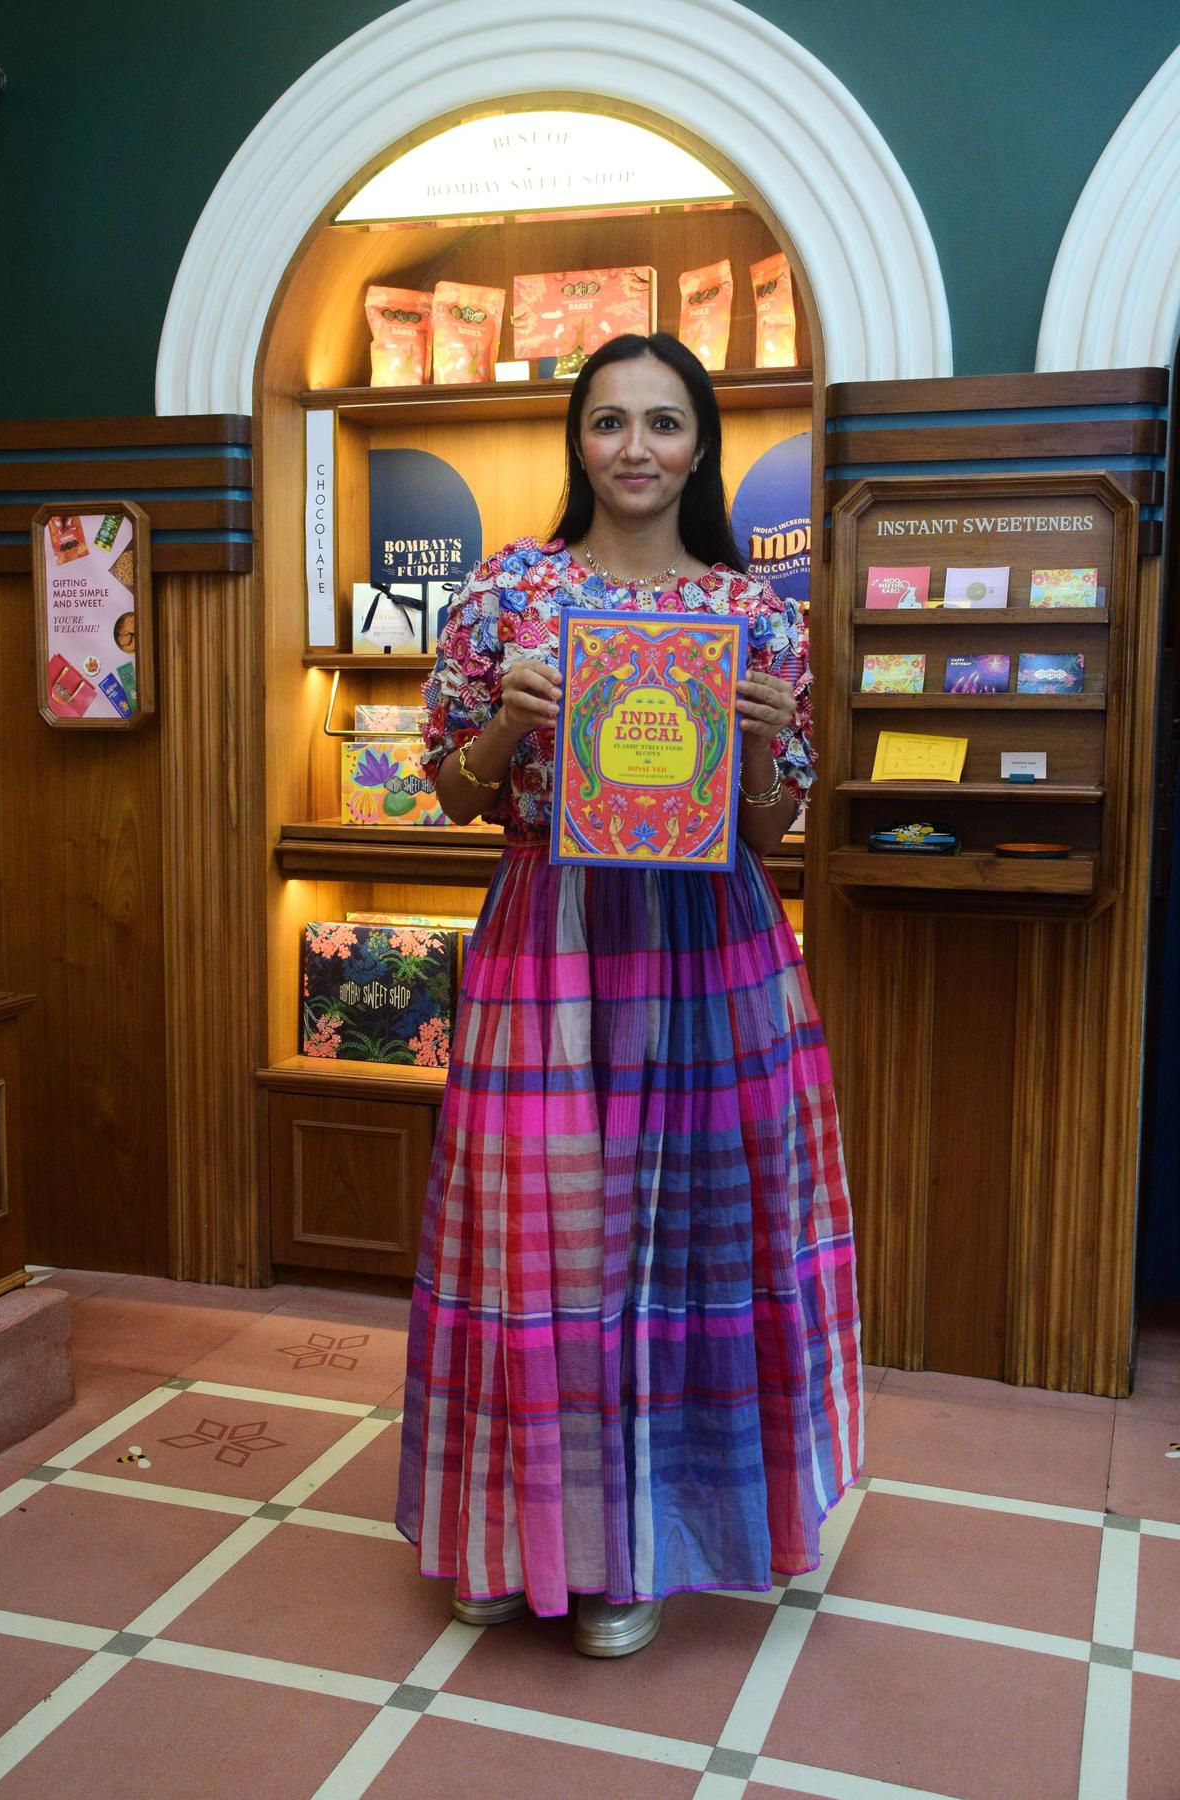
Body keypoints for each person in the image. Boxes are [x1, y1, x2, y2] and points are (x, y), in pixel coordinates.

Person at [396, 332, 862, 1658]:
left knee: (672, 1249)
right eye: (609, 423)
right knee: (530, 1233)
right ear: (578, 443)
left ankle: (636, 1546)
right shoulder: (506, 597)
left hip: (706, 951)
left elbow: (770, 829)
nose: (637, 448)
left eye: (664, 423)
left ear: (701, 445)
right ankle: (508, 1531)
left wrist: (768, 752)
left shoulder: (758, 616)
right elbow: (455, 791)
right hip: (547, 932)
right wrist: (507, 725)